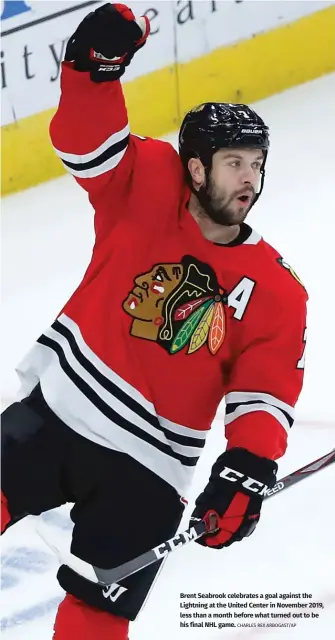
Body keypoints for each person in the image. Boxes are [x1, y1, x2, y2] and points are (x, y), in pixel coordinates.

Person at [1, 3, 308, 639]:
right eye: (234, 163)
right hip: (60, 411)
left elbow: (265, 392)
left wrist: (246, 468)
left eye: (256, 163)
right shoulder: (146, 183)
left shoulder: (276, 288)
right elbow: (84, 142)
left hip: (152, 468)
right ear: (194, 167)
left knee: (97, 615)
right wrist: (94, 72)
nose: (249, 178)